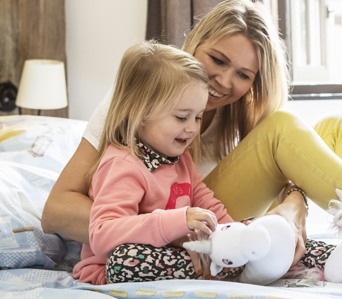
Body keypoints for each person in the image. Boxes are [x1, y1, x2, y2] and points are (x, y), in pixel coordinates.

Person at [42, 0, 342, 277]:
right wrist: (163, 227)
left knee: (336, 127)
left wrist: (292, 209)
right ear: (195, 43)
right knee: (283, 130)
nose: (224, 81)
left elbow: (289, 178)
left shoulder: (243, 113)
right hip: (169, 223)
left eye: (243, 75)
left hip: (211, 214)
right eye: (217, 60)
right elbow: (55, 212)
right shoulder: (143, 96)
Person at [73, 41, 236, 285]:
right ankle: (238, 265)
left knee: (257, 230)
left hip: (173, 255)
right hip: (110, 268)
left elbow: (208, 203)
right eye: (182, 117)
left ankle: (254, 255)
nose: (192, 128)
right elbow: (102, 236)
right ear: (140, 114)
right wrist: (177, 222)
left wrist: (234, 233)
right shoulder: (122, 164)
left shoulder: (181, 159)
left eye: (198, 117)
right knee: (124, 259)